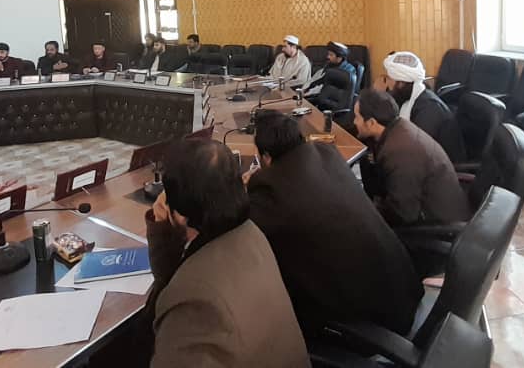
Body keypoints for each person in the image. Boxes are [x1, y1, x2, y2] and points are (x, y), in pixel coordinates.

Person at [245, 111, 424, 337]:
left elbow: (246, 227)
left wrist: (248, 186)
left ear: (266, 157)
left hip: (372, 323)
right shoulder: (327, 152)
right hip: (402, 286)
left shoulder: (270, 191)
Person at [146, 139, 308, 367]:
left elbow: (170, 293)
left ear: (180, 216)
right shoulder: (252, 234)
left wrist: (163, 230)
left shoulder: (193, 297)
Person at [354, 88, 470, 228]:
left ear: (372, 123)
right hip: (423, 208)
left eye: (357, 117)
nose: (354, 122)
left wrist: (367, 212)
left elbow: (403, 214)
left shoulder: (399, 153)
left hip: (437, 225)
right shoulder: (398, 127)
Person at [380, 51, 464, 161]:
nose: (387, 84)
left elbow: (418, 151)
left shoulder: (429, 109)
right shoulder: (408, 99)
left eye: (388, 79)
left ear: (401, 84)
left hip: (440, 165)